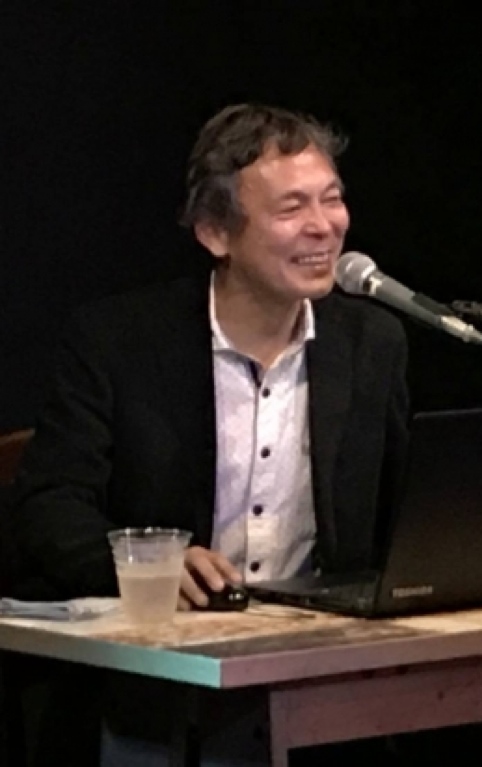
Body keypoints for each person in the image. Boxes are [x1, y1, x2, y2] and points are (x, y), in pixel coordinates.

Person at [8, 102, 410, 611]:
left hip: (319, 634)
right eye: (291, 209)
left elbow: (402, 510)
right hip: (165, 634)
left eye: (331, 200)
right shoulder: (119, 342)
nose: (323, 226)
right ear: (215, 233)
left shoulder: (371, 343)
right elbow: (50, 506)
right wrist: (149, 565)